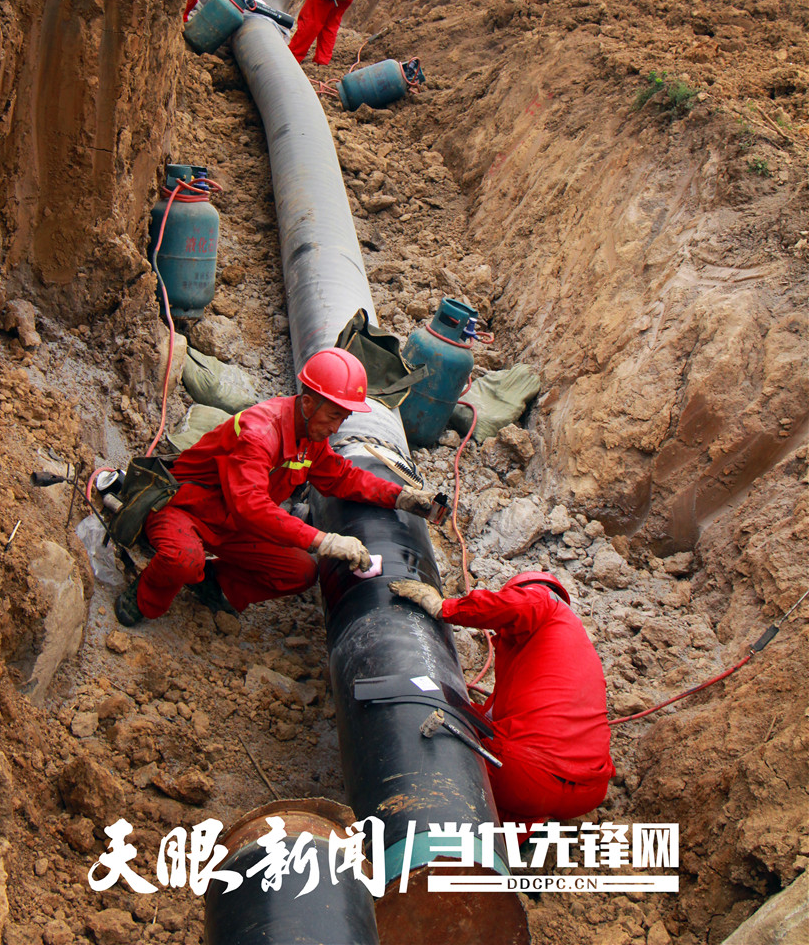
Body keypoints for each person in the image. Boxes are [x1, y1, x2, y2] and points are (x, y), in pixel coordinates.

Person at [115, 348, 438, 626]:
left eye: (344, 418)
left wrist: (400, 496)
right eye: (333, 416)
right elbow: (251, 506)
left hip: (232, 523)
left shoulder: (309, 436)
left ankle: (214, 582)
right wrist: (323, 540)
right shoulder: (259, 433)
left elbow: (340, 476)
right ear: (309, 404)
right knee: (183, 559)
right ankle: (146, 595)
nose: (336, 428)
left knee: (298, 572)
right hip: (186, 509)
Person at [389, 571, 615, 825]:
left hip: (526, 776)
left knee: (440, 748)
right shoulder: (566, 647)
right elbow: (491, 718)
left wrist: (445, 607)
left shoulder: (545, 600)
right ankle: (508, 837)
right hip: (586, 793)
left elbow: (519, 603)